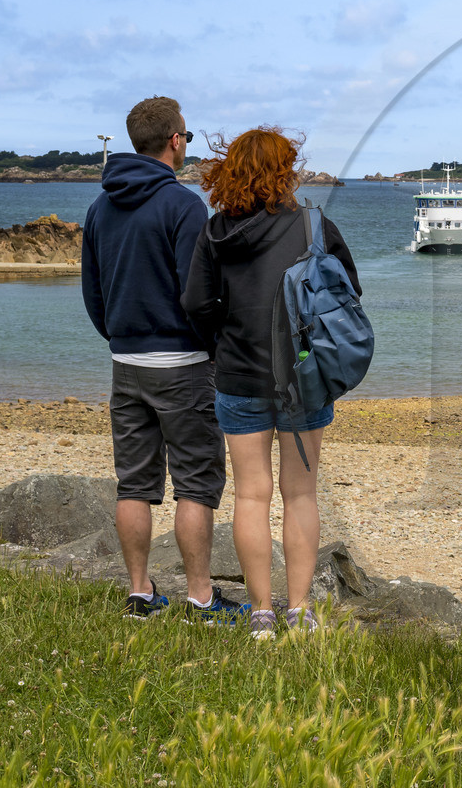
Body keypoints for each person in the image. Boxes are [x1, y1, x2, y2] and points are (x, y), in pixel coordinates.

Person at [182, 127, 361, 639]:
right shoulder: (312, 224)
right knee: (301, 494)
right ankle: (299, 609)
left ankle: (261, 613)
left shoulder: (216, 231)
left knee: (251, 496)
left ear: (229, 170)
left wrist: (225, 339)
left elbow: (196, 304)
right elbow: (348, 293)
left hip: (238, 375)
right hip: (304, 376)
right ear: (286, 171)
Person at [81, 96, 244, 623]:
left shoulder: (100, 206)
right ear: (175, 140)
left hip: (126, 361)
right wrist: (213, 347)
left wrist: (121, 335)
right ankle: (200, 598)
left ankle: (140, 594)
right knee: (196, 483)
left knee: (135, 483)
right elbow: (198, 294)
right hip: (184, 363)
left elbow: (93, 290)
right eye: (188, 138)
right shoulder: (184, 205)